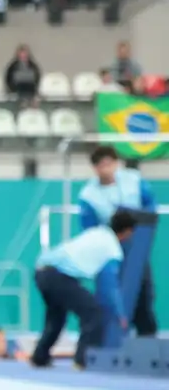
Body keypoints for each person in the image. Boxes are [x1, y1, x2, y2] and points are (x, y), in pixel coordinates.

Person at [31, 210, 138, 368]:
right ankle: (82, 361)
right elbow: (110, 287)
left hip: (41, 271)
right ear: (127, 231)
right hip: (60, 276)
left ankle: (39, 357)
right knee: (93, 313)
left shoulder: (97, 232)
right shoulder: (113, 250)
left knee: (56, 317)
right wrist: (120, 313)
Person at [77, 146, 158, 336]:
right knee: (111, 293)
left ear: (116, 163)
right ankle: (110, 336)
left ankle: (147, 336)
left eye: (110, 163)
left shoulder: (134, 180)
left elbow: (150, 206)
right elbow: (89, 228)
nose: (107, 169)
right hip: (110, 251)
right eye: (101, 165)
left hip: (137, 247)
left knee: (143, 292)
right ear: (95, 168)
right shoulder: (88, 195)